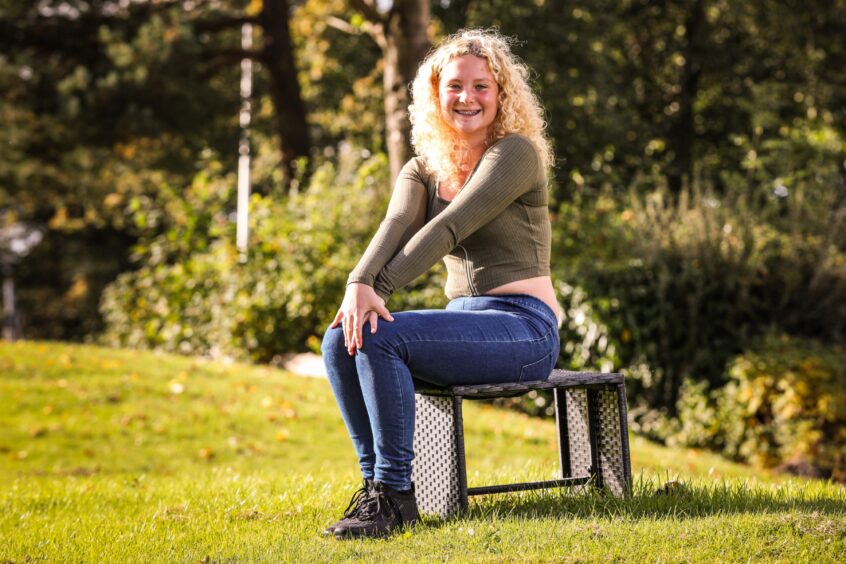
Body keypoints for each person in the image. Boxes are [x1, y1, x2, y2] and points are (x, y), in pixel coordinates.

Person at [321, 28, 559, 539]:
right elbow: (395, 225)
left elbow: (448, 227)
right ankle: (377, 492)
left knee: (378, 331)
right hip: (465, 326)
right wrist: (356, 284)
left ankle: (394, 494)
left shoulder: (514, 154)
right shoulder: (423, 168)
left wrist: (378, 290)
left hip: (525, 328)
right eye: (454, 86)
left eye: (481, 87)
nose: (467, 98)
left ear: (501, 95)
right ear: (435, 95)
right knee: (341, 337)